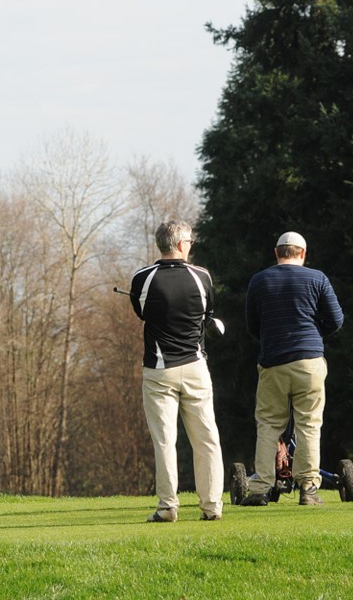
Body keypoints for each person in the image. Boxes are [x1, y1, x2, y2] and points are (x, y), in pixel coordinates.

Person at [129, 220, 225, 522]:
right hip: (195, 367)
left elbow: (141, 312)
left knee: (165, 440)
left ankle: (168, 506)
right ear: (183, 244)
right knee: (206, 439)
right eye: (191, 242)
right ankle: (212, 507)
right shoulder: (202, 276)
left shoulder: (143, 278)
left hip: (159, 371)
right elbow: (208, 312)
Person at [241, 231, 344, 507]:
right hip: (309, 361)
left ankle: (262, 487)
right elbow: (336, 320)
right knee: (309, 424)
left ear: (277, 253)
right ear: (303, 253)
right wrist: (313, 335)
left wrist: (272, 340)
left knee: (268, 424)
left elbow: (253, 326)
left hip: (273, 361)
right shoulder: (317, 278)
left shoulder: (259, 280)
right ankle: (308, 488)